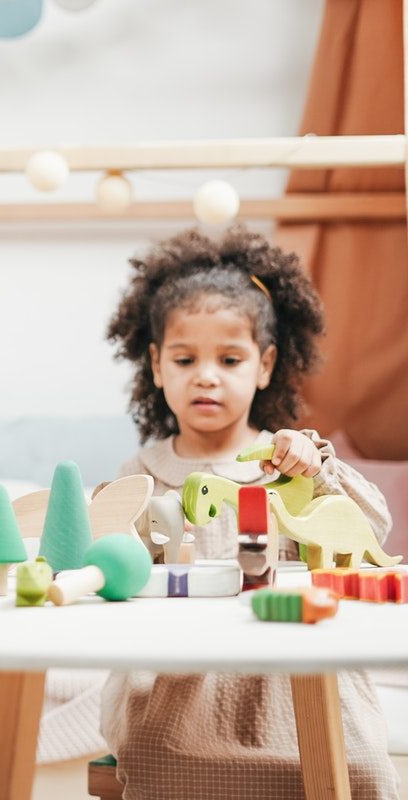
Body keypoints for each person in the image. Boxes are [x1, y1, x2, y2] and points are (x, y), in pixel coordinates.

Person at [101, 226, 398, 799]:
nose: (206, 375)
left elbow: (372, 529)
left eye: (230, 358)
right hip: (182, 676)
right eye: (185, 358)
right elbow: (114, 565)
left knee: (359, 769)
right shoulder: (140, 472)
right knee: (161, 761)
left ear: (264, 366)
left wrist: (316, 468)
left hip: (291, 669)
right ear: (157, 365)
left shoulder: (291, 458)